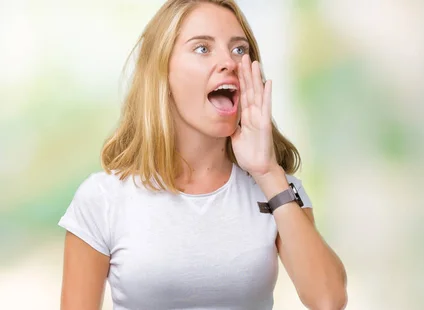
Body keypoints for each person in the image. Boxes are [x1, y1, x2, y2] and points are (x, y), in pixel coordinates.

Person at [57, 0, 347, 309]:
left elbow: (328, 300)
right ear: (162, 72)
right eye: (202, 49)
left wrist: (267, 172)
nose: (229, 62)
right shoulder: (102, 199)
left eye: (239, 50)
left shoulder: (278, 190)